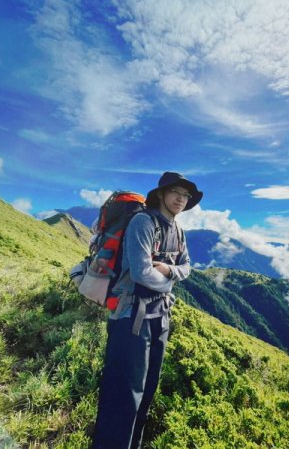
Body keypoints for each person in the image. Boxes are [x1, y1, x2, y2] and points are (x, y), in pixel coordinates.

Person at [92, 172, 203, 449]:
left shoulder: (178, 231)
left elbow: (187, 267)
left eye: (186, 195)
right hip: (131, 316)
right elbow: (141, 273)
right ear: (162, 194)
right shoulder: (143, 222)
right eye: (175, 191)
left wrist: (169, 270)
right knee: (125, 393)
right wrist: (169, 284)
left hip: (160, 317)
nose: (180, 198)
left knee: (147, 389)